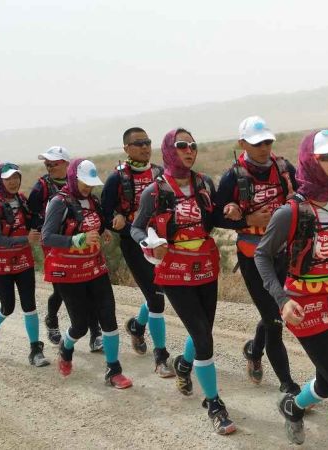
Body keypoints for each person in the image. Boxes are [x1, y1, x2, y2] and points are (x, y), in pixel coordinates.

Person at [255, 130, 328, 448]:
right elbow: (262, 255)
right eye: (327, 157)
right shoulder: (290, 212)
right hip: (304, 307)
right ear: (310, 162)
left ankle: (293, 406)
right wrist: (282, 300)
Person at [130, 128, 237, 435]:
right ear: (169, 150)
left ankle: (184, 365)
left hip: (205, 266)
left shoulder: (204, 183)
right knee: (203, 338)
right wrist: (150, 245)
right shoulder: (155, 191)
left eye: (193, 145)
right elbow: (136, 228)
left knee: (203, 331)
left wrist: (234, 211)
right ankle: (214, 404)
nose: (190, 150)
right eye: (182, 145)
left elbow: (214, 218)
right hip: (174, 270)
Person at [213, 116, 301, 394]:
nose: (264, 148)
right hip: (252, 257)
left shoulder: (284, 168)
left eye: (267, 142)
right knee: (275, 319)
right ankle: (287, 384)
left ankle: (253, 350)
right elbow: (214, 216)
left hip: (283, 253)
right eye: (257, 143)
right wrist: (246, 219)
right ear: (242, 144)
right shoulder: (232, 176)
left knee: (273, 311)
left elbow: (303, 197)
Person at [41, 158, 133, 389]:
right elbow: (47, 237)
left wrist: (103, 231)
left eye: (91, 183)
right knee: (80, 325)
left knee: (109, 318)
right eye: (84, 182)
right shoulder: (59, 202)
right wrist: (76, 240)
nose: (88, 187)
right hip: (68, 272)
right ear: (73, 178)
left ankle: (113, 370)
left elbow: (95, 224)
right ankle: (66, 348)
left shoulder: (93, 200)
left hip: (95, 267)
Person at [101, 127, 173, 377]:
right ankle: (161, 357)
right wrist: (117, 219)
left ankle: (137, 326)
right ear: (126, 148)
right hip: (134, 243)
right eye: (138, 143)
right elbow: (104, 213)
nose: (144, 147)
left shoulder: (160, 174)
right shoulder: (116, 178)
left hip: (160, 242)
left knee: (159, 291)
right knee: (156, 299)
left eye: (147, 142)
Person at [28, 146, 103, 351]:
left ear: (67, 165)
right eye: (47, 164)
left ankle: (95, 333)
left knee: (88, 288)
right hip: (55, 244)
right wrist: (40, 229)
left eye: (54, 163)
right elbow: (31, 213)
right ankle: (52, 320)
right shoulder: (42, 187)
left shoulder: (83, 185)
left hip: (84, 243)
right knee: (61, 291)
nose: (50, 167)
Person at [0, 162, 49, 367]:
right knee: (8, 306)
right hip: (1, 263)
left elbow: (32, 222)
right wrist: (25, 240)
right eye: (8, 179)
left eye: (16, 177)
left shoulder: (22, 200)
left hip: (23, 260)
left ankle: (35, 349)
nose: (13, 182)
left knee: (30, 305)